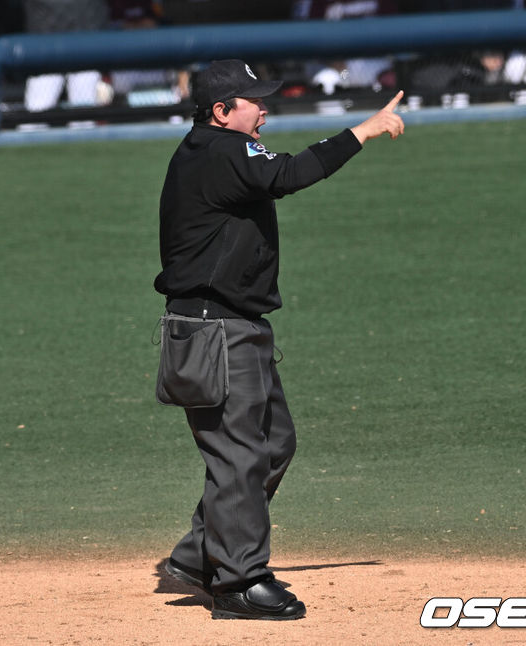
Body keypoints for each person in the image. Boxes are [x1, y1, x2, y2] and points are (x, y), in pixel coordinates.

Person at [153, 59, 403, 620]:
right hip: (215, 331)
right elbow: (289, 174)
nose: (264, 108)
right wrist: (362, 131)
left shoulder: (212, 150)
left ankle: (199, 556)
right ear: (221, 111)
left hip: (234, 327)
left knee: (272, 444)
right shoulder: (219, 151)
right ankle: (238, 582)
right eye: (253, 101)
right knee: (241, 455)